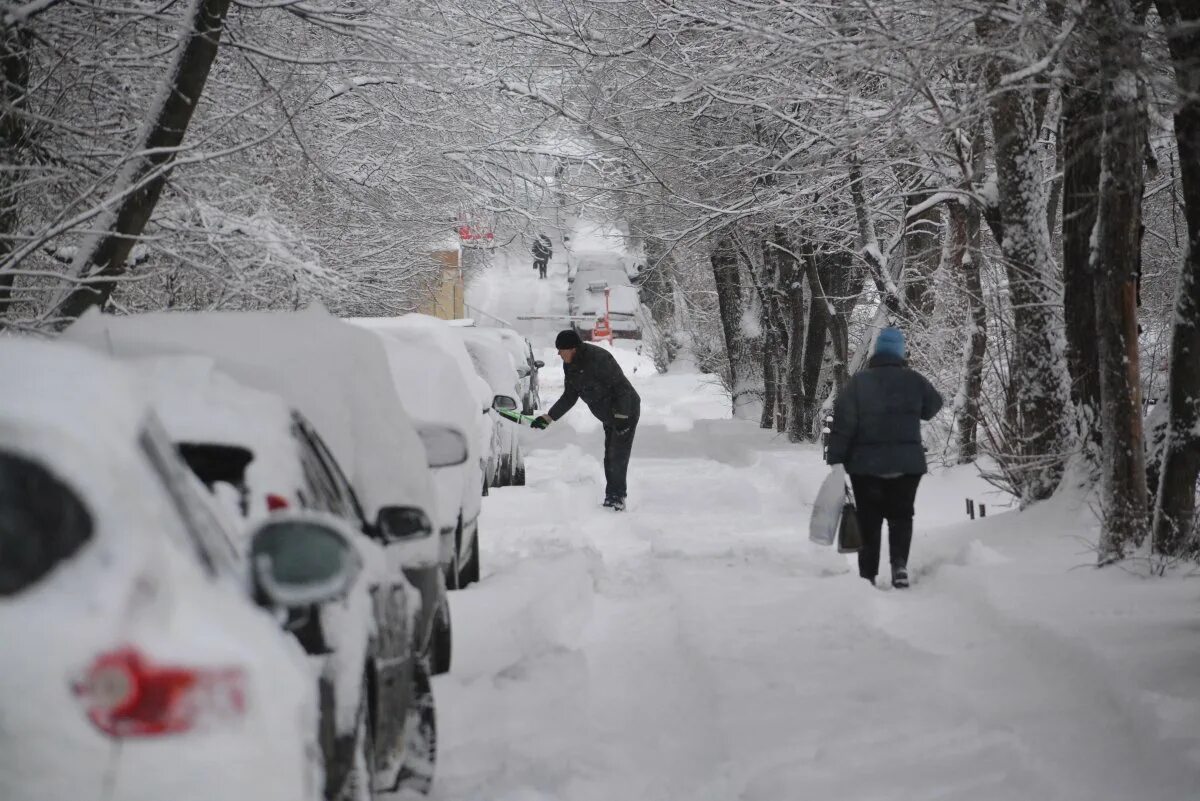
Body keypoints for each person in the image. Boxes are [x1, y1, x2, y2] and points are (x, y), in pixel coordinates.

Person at [825, 326, 942, 589]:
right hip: (907, 465)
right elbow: (933, 407)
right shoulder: (914, 380)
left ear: (876, 352)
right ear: (901, 353)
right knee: (901, 515)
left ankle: (868, 576)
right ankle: (899, 565)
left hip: (866, 467)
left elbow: (844, 424)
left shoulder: (859, 383)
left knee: (870, 519)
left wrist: (836, 459)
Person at [531, 329, 640, 511]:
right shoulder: (570, 365)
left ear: (572, 348)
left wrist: (621, 418)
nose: (558, 353)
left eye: (561, 350)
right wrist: (549, 417)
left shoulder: (599, 359)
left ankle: (617, 498)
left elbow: (621, 389)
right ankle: (613, 496)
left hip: (625, 412)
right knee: (610, 456)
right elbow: (569, 396)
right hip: (610, 415)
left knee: (617, 455)